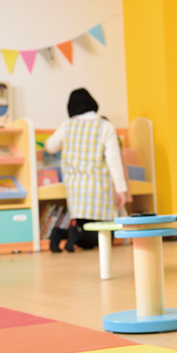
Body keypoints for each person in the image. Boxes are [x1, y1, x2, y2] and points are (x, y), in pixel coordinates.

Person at [43, 88, 128, 252]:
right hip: (98, 187)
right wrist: (120, 189)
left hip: (75, 187)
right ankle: (75, 234)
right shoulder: (105, 126)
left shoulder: (67, 125)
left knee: (84, 226)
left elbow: (50, 146)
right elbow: (113, 159)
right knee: (105, 235)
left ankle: (60, 233)